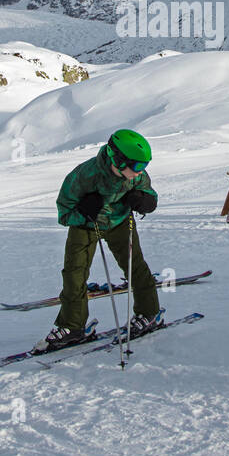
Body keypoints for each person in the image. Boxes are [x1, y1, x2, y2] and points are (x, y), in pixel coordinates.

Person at [36, 129, 163, 353]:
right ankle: (72, 326)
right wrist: (83, 212)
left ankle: (149, 313)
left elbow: (149, 195)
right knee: (74, 273)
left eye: (143, 166)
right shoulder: (84, 176)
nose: (139, 173)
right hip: (86, 225)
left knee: (135, 266)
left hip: (120, 222)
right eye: (135, 166)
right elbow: (64, 213)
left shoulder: (137, 176)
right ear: (117, 159)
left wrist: (145, 202)